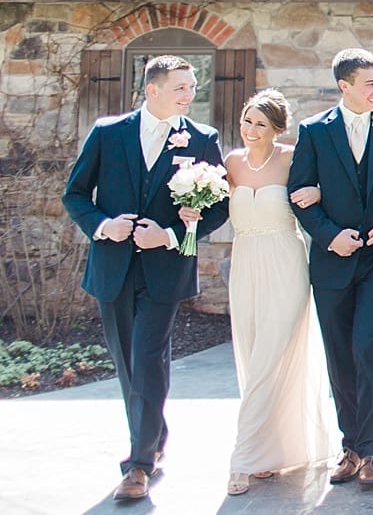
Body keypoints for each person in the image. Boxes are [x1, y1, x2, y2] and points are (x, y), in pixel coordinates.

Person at [62, 54, 228, 501]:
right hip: (112, 266)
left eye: (193, 87)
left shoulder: (202, 139)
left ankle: (138, 465)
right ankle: (153, 437)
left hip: (165, 269)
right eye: (181, 87)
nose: (190, 94)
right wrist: (103, 225)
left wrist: (171, 234)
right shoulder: (107, 133)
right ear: (152, 89)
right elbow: (75, 194)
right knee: (128, 363)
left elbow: (219, 207)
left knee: (149, 357)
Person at [289, 48, 373, 488]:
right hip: (333, 259)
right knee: (340, 353)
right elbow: (299, 193)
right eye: (369, 83)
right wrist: (329, 235)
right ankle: (350, 445)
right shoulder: (314, 131)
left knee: (367, 346)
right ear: (344, 86)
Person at [224, 89, 335, 496]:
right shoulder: (231, 163)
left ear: (277, 129)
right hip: (245, 264)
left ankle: (242, 459)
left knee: (270, 356)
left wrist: (319, 193)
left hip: (285, 262)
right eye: (247, 121)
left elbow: (326, 192)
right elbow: (215, 208)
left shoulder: (292, 159)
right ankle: (270, 450)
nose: (251, 130)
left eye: (261, 124)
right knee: (253, 355)